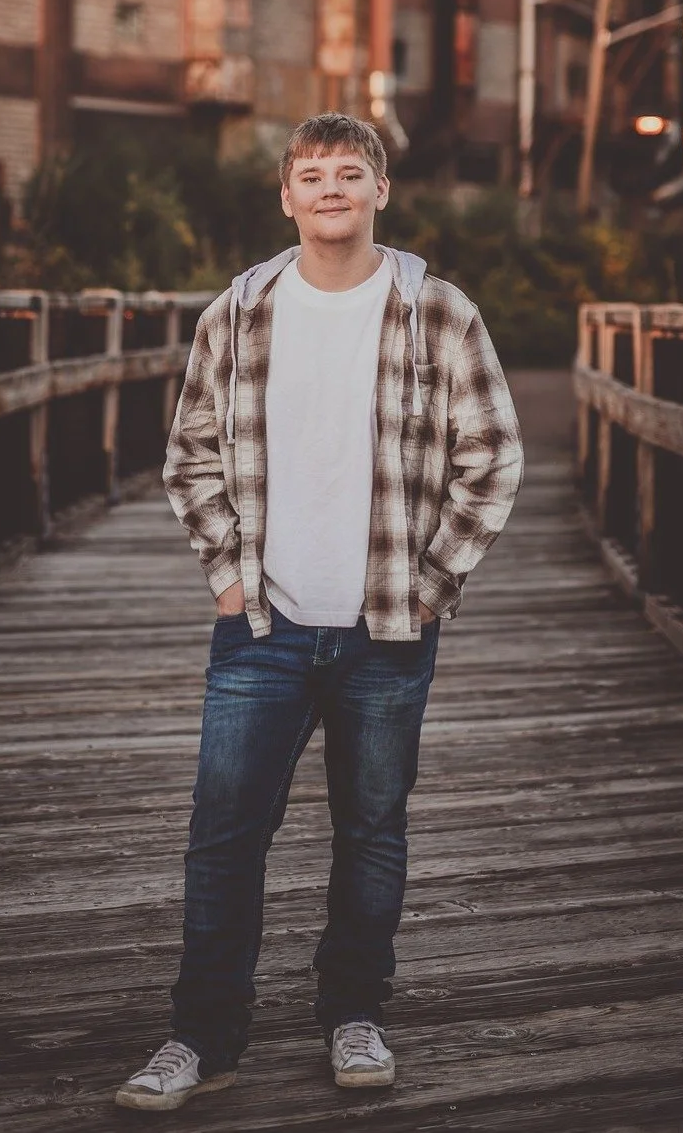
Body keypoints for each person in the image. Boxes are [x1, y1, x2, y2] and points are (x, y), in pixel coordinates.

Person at [115, 112, 524, 1111]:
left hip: (389, 629)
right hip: (262, 627)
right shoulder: (242, 310)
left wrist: (430, 587)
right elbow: (190, 453)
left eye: (352, 172)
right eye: (312, 174)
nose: (332, 187)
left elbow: (494, 456)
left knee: (372, 830)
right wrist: (224, 569)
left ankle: (355, 1016)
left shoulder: (439, 310)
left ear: (382, 192)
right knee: (223, 835)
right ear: (287, 197)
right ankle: (202, 1040)